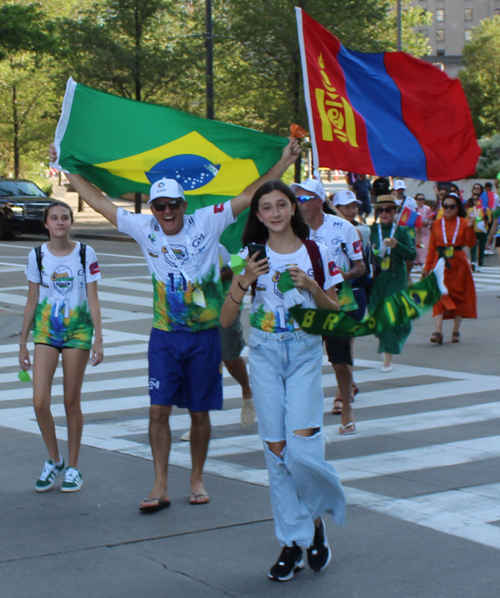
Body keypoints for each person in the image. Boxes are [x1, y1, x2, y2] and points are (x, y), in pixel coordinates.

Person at [49, 140, 299, 510]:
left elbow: (250, 194)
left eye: (173, 205)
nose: (167, 211)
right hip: (165, 337)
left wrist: (284, 161)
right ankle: (160, 484)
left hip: (204, 337)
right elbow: (100, 201)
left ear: (184, 205)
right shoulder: (143, 227)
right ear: (152, 208)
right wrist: (65, 168)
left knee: (199, 413)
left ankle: (196, 477)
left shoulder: (207, 220)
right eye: (159, 205)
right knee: (157, 411)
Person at [220, 180, 346, 582]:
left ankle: (316, 519)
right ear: (258, 216)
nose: (274, 213)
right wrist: (243, 281)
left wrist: (311, 287)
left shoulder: (318, 252)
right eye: (266, 208)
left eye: (281, 205)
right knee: (276, 455)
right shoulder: (247, 256)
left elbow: (336, 314)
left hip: (305, 353)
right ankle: (294, 540)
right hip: (265, 356)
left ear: (293, 208)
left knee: (303, 450)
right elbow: (225, 319)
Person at [19, 201, 103, 493]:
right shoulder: (37, 255)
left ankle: (74, 468)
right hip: (45, 331)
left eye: (65, 217)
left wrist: (99, 338)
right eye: (54, 218)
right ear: (46, 224)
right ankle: (54, 459)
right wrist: (22, 343)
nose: (60, 222)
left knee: (71, 402)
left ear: (70, 222)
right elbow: (31, 300)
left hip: (77, 331)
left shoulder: (84, 253)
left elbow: (93, 297)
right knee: (40, 402)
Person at [291, 180, 365, 427]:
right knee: (302, 358)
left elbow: (360, 266)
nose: (298, 204)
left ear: (319, 201)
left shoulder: (343, 227)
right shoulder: (291, 229)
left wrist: (339, 276)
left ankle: (346, 406)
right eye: (296, 200)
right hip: (304, 302)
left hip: (338, 301)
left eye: (303, 199)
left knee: (339, 359)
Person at [370, 196, 416, 372]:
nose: (384, 213)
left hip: (396, 275)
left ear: (395, 212)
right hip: (377, 276)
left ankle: (387, 355)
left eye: (388, 210)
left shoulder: (402, 231)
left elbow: (412, 255)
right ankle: (388, 340)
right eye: (380, 210)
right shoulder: (372, 229)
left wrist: (397, 246)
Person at [424, 193, 477, 343]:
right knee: (438, 294)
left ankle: (455, 330)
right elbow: (432, 247)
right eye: (445, 206)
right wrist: (427, 267)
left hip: (459, 264)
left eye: (452, 206)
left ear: (457, 208)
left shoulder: (464, 222)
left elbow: (471, 244)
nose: (448, 209)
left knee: (460, 296)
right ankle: (438, 331)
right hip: (441, 263)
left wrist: (471, 228)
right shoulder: (436, 223)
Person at [466, 194, 490, 272]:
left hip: (483, 231)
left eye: (477, 199)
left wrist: (485, 218)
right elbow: (467, 220)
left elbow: (489, 221)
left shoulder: (485, 209)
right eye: (474, 199)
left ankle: (480, 264)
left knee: (481, 248)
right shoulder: (470, 209)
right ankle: (473, 262)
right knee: (473, 247)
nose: (476, 201)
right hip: (473, 231)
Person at [414, 193, 433, 266]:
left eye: (422, 199)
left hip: (425, 232)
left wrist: (427, 222)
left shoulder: (427, 208)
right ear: (416, 200)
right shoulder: (414, 208)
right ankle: (417, 263)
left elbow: (430, 219)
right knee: (417, 249)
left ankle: (423, 263)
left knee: (425, 248)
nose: (421, 201)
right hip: (416, 232)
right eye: (419, 199)